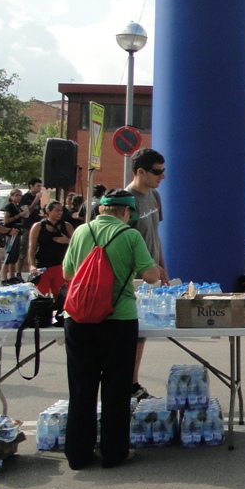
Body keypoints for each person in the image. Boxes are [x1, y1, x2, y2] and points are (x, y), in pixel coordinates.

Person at [61, 190, 163, 469]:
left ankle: (78, 454)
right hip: (118, 319)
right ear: (125, 212)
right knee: (116, 389)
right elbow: (152, 276)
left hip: (79, 318)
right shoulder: (130, 236)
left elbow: (68, 274)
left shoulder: (82, 231)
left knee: (81, 388)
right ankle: (114, 453)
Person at [126, 147, 170, 401]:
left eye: (163, 171)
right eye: (157, 172)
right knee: (132, 332)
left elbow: (155, 235)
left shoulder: (154, 195)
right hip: (132, 277)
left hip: (152, 273)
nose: (162, 176)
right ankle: (128, 384)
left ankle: (131, 384)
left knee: (141, 335)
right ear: (140, 172)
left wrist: (163, 266)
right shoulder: (125, 199)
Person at [27, 200, 74, 297]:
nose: (60, 213)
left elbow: (77, 244)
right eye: (57, 210)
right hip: (43, 265)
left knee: (61, 296)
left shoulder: (67, 226)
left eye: (61, 210)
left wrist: (67, 241)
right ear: (48, 211)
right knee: (40, 295)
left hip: (61, 265)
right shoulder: (38, 226)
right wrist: (32, 265)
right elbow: (32, 247)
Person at [0, 188, 24, 284]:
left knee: (14, 256)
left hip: (17, 232)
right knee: (8, 255)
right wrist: (18, 216)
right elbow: (6, 220)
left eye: (20, 195)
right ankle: (4, 278)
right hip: (10, 233)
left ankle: (12, 276)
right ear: (11, 196)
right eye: (16, 195)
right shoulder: (9, 206)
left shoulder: (18, 206)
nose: (18, 197)